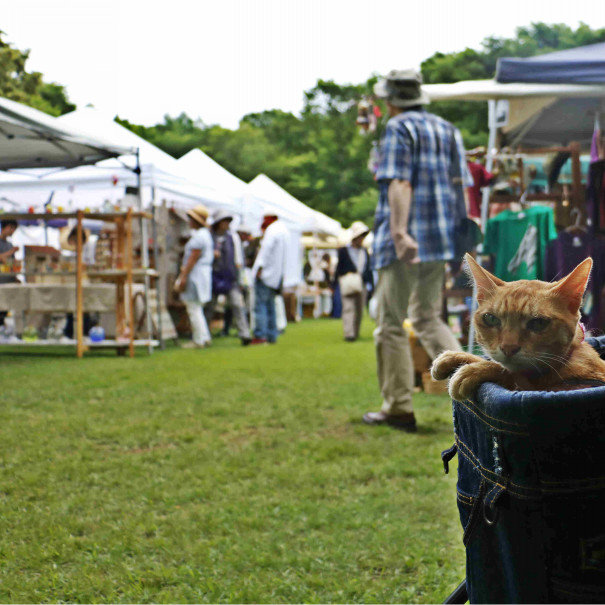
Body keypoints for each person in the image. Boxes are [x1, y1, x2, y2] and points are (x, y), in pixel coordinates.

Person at [362, 69, 472, 432]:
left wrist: (398, 233)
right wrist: (460, 235)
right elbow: (460, 186)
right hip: (440, 239)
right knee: (427, 316)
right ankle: (475, 390)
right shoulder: (448, 130)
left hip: (406, 242)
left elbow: (399, 181)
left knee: (390, 325)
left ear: (390, 100)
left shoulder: (399, 128)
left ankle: (397, 407)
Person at [208, 209, 251, 346]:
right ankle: (204, 335)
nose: (227, 224)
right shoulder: (209, 237)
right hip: (213, 277)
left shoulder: (233, 238)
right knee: (210, 307)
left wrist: (239, 279)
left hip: (230, 277)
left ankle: (244, 334)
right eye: (224, 221)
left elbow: (239, 259)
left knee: (237, 305)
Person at [174, 204, 213, 349]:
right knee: (197, 308)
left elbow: (192, 259)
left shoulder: (199, 236)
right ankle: (204, 336)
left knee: (193, 307)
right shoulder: (205, 234)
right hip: (202, 274)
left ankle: (198, 340)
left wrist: (183, 276)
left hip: (196, 275)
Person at [250, 213, 288, 345]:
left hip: (265, 275)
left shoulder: (272, 230)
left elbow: (265, 252)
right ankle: (272, 335)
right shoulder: (284, 230)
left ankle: (260, 336)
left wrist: (259, 268)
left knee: (260, 306)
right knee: (271, 306)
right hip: (275, 277)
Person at [336, 221, 373, 342]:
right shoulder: (343, 251)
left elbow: (368, 269)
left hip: (361, 284)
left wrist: (370, 284)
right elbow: (339, 268)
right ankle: (349, 334)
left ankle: (355, 332)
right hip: (348, 282)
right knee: (348, 308)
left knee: (359, 309)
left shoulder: (365, 251)